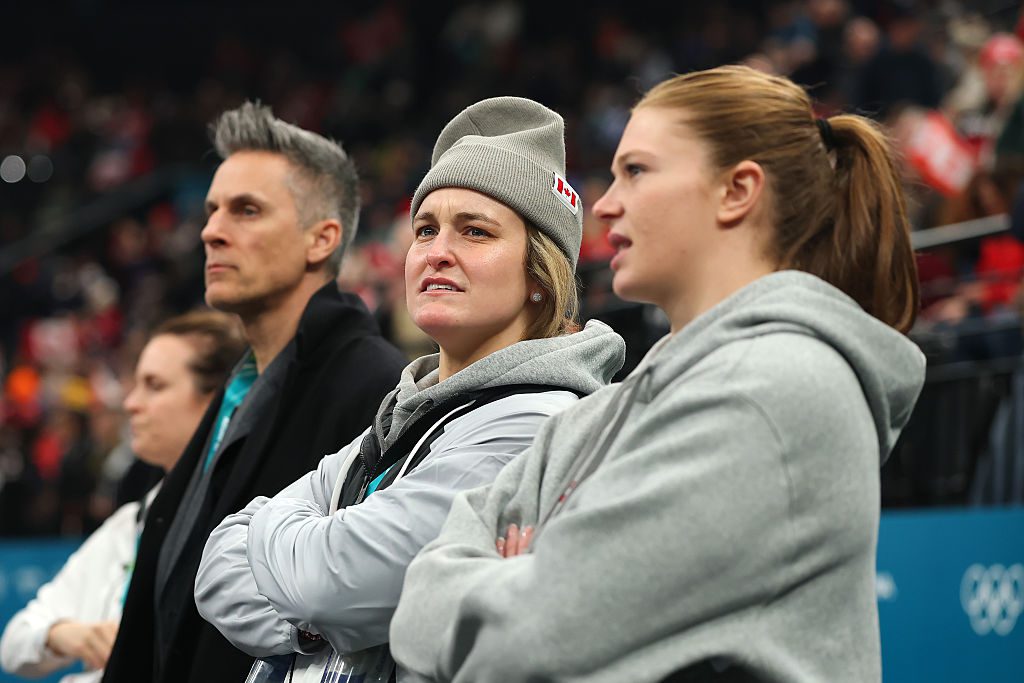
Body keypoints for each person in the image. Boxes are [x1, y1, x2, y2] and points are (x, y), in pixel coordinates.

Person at [390, 65, 927, 682]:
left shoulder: (776, 390)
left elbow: (532, 638)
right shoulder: (612, 406)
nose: (608, 203)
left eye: (636, 172)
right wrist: (511, 583)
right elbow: (419, 600)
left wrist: (508, 581)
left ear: (737, 191)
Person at [194, 96, 625, 681]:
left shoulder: (540, 422)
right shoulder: (400, 414)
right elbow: (217, 566)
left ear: (539, 276)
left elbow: (331, 580)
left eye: (476, 231)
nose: (437, 252)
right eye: (425, 229)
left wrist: (305, 586)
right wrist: (317, 619)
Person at [101, 103, 408, 683]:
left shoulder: (375, 389)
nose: (211, 230)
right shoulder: (241, 387)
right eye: (213, 209)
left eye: (246, 211)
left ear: (322, 240)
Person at [0, 311, 244, 683]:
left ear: (216, 402)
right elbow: (14, 644)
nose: (131, 402)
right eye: (136, 383)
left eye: (155, 385)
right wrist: (68, 634)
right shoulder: (130, 522)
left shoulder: (236, 521)